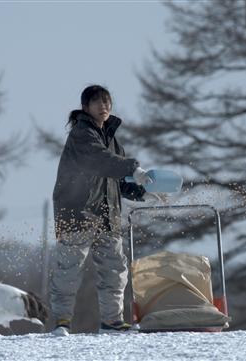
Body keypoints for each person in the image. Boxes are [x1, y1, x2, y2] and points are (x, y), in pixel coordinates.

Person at [49, 84, 161, 336]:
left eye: (107, 102)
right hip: (76, 215)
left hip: (106, 216)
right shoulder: (82, 134)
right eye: (98, 102)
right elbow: (101, 161)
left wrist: (142, 192)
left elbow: (116, 178)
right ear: (85, 107)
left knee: (114, 270)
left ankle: (112, 320)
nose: (104, 107)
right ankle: (62, 322)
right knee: (69, 270)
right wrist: (133, 168)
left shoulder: (110, 137)